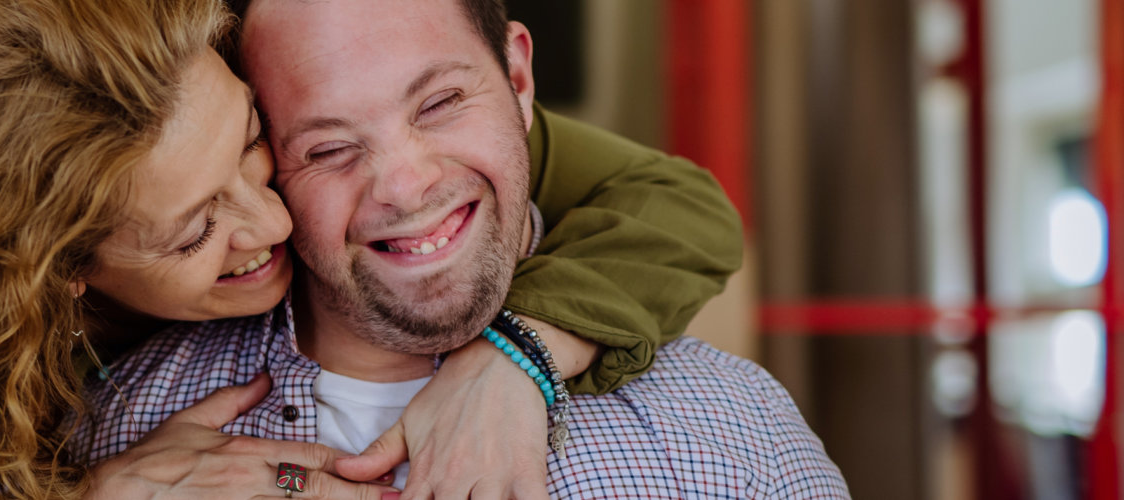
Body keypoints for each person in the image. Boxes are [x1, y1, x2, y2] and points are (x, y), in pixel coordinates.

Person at [0, 0, 741, 497]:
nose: (274, 223)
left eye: (257, 144)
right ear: (64, 269)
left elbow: (673, 201)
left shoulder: (332, 96)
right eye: (196, 230)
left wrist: (517, 357)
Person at [74, 0, 849, 497]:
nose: (405, 185)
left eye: (441, 103)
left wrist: (520, 354)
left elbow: (683, 204)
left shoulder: (728, 436)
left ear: (518, 74)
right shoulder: (115, 435)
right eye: (327, 148)